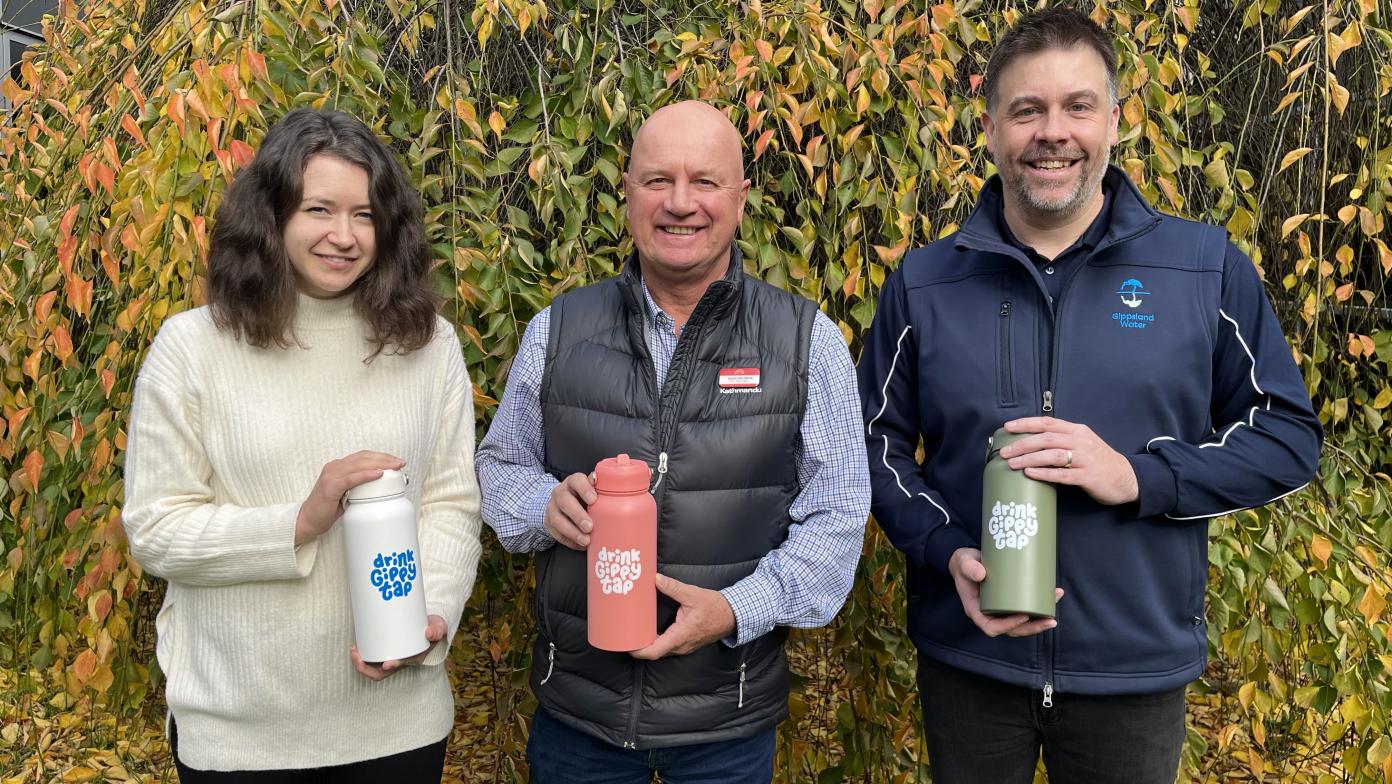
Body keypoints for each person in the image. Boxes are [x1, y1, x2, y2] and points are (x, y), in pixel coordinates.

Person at [856, 8, 1322, 783]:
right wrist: (947, 552)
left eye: (1077, 106)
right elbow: (873, 444)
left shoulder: (1203, 268)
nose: (1052, 132)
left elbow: (1287, 438)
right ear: (990, 128)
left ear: (1114, 119)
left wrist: (1140, 476)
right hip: (969, 661)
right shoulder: (926, 282)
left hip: (1132, 672)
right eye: (1026, 110)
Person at [475, 100, 870, 783]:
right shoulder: (559, 330)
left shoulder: (807, 343)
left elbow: (837, 519)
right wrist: (544, 503)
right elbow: (498, 467)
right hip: (579, 721)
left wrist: (734, 610)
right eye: (657, 180)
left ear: (741, 198)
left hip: (727, 725)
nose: (679, 203)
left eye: (705, 182)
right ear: (626, 193)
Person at [122, 108, 483, 781]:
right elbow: (156, 529)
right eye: (319, 209)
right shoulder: (192, 348)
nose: (343, 236)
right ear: (272, 214)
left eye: (365, 215)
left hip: (397, 726)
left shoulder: (428, 345)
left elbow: (450, 503)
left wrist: (431, 615)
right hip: (242, 736)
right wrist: (300, 522)